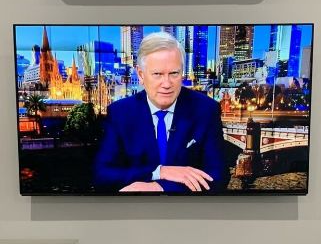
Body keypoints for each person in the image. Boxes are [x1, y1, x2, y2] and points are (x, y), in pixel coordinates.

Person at [93, 31, 228, 193]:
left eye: (174, 73)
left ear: (182, 73)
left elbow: (218, 176)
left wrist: (159, 187)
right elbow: (102, 175)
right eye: (157, 74)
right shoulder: (120, 113)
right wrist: (158, 172)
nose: (167, 83)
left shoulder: (206, 110)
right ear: (141, 75)